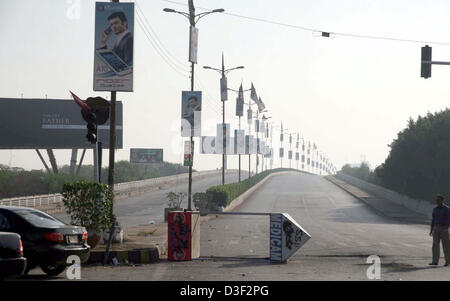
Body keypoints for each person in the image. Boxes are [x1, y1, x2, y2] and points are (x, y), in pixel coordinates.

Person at [429, 195, 450, 266]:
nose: (437, 201)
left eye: (438, 200)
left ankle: (448, 261)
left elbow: (448, 220)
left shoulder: (446, 209)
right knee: (435, 245)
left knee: (446, 246)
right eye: (436, 200)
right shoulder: (435, 209)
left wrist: (446, 227)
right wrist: (431, 230)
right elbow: (433, 220)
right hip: (436, 228)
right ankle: (435, 261)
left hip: (443, 229)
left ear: (442, 201)